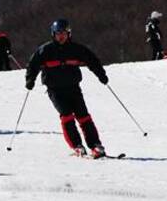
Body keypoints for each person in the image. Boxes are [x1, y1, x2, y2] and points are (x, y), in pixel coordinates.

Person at [25, 19, 109, 159]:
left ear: (69, 34)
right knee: (67, 115)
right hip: (55, 90)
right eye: (58, 33)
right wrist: (30, 80)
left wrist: (101, 75)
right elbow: (33, 64)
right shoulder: (46, 50)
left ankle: (95, 145)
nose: (61, 36)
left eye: (64, 33)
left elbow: (92, 60)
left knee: (83, 116)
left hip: (73, 87)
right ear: (53, 34)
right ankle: (77, 145)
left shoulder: (76, 49)